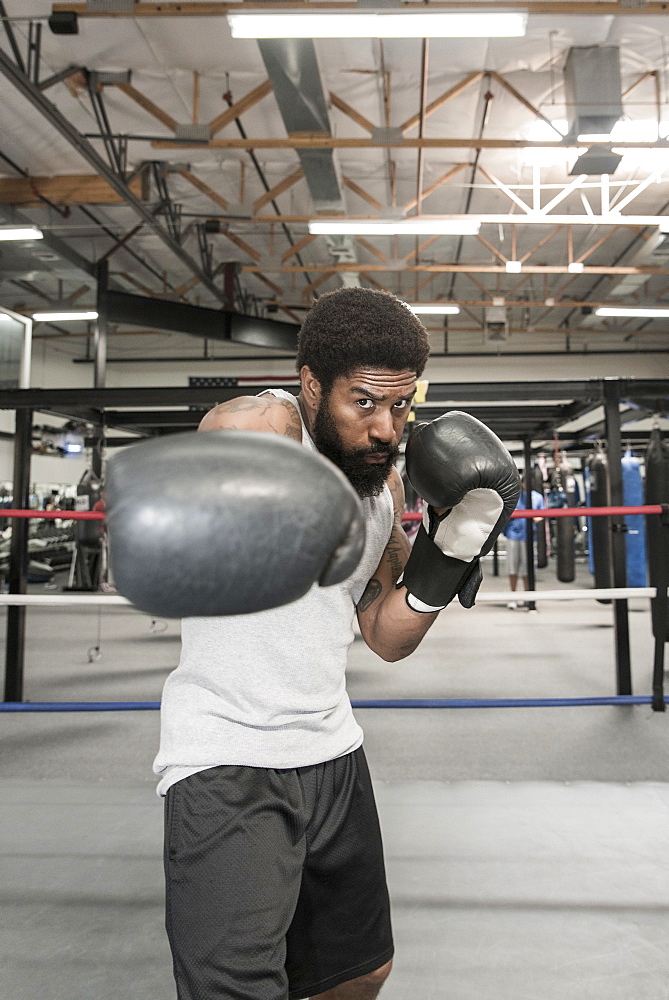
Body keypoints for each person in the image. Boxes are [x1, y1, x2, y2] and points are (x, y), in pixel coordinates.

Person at [146, 287, 518, 1000]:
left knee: (358, 971)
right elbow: (232, 436)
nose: (385, 427)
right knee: (235, 985)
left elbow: (385, 637)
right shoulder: (264, 423)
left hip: (332, 752)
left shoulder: (382, 488)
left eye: (400, 405)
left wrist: (453, 549)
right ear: (311, 385)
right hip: (230, 758)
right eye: (364, 403)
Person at [502, 484, 545, 608]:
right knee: (512, 567)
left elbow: (541, 514)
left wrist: (534, 517)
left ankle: (528, 597)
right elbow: (505, 512)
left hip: (529, 536)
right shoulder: (514, 496)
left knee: (528, 568)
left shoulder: (537, 497)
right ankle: (513, 597)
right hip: (513, 535)